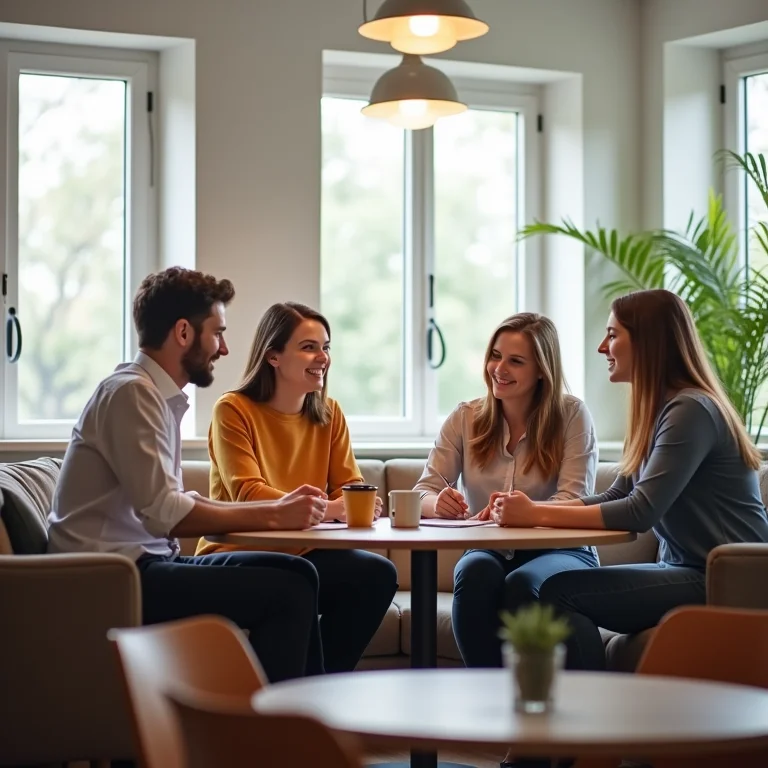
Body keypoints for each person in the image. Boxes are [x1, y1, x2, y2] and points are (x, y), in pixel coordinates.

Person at [47, 267, 328, 683]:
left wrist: (278, 509)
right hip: (111, 578)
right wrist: (274, 514)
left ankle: (307, 713)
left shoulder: (153, 396)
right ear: (183, 332)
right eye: (217, 333)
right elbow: (166, 514)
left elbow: (173, 503)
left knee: (300, 572)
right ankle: (265, 721)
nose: (224, 349)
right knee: (287, 593)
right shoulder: (131, 394)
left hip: (144, 563)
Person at [496, 290, 768, 671]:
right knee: (554, 589)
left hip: (728, 579)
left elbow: (640, 511)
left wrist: (534, 514)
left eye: (612, 335)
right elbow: (618, 493)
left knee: (559, 593)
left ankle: (594, 705)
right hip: (687, 569)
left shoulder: (690, 409)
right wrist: (532, 510)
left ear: (647, 342)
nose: (601, 347)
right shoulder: (656, 410)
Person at [196, 301, 398, 673]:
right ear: (273, 356)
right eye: (309, 347)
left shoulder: (329, 413)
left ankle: (325, 684)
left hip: (305, 554)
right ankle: (301, 691)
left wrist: (360, 502)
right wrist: (334, 509)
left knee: (377, 574)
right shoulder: (233, 410)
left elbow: (349, 486)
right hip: (238, 553)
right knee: (299, 579)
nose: (323, 357)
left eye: (326, 347)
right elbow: (249, 494)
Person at [413, 312, 599, 670]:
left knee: (522, 583)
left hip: (563, 549)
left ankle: (529, 689)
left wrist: (523, 514)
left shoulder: (572, 415)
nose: (499, 368)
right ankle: (485, 689)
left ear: (542, 369)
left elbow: (573, 500)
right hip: (490, 548)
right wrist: (439, 504)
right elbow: (423, 492)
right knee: (474, 572)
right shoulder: (465, 417)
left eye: (516, 361)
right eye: (495, 356)